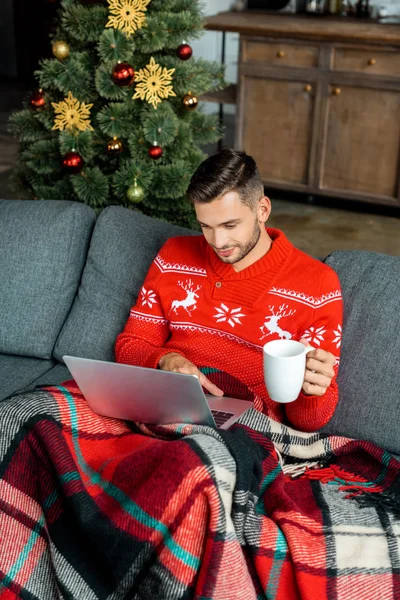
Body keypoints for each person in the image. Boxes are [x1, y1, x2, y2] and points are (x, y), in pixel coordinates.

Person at [115, 148, 342, 432]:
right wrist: (164, 359)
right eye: (205, 226)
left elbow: (309, 422)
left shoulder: (318, 284)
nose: (218, 241)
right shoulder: (173, 255)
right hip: (161, 403)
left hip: (242, 426)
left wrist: (312, 393)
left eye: (230, 225)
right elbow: (129, 346)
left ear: (263, 210)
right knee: (44, 407)